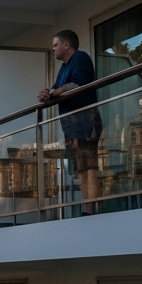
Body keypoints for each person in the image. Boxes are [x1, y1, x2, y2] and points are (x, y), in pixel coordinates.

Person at [37, 29, 102, 212]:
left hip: (85, 120)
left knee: (89, 166)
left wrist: (52, 93)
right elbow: (57, 89)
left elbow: (76, 86)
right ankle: (88, 207)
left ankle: (93, 210)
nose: (53, 48)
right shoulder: (64, 68)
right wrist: (47, 93)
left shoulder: (81, 58)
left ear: (67, 45)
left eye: (56, 44)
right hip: (72, 125)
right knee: (82, 168)